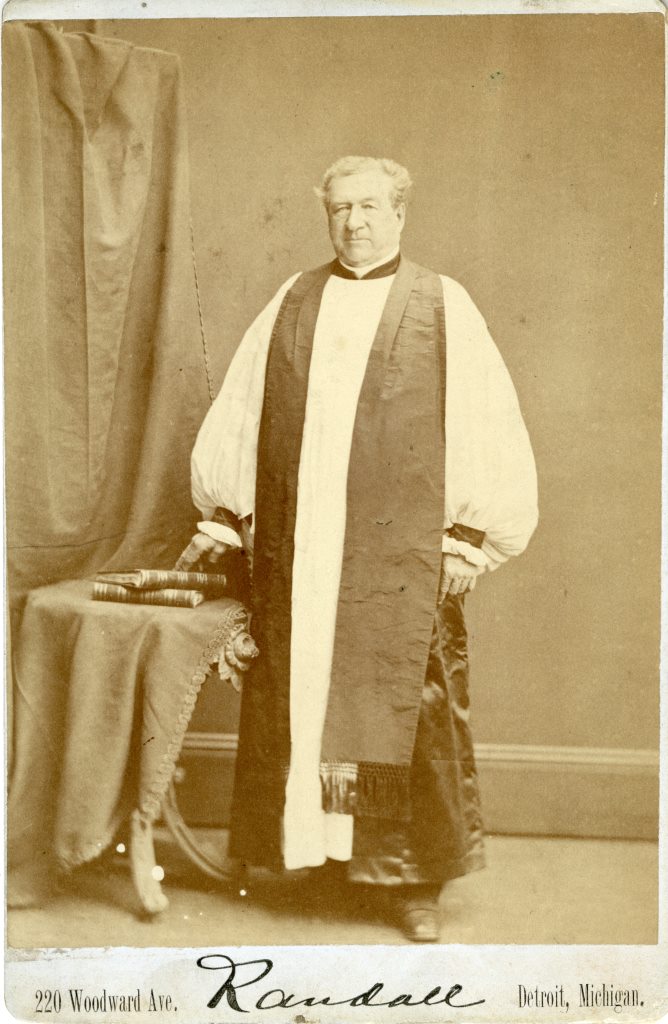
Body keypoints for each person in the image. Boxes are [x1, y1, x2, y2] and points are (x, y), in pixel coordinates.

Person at [177, 155, 538, 942]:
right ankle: (328, 857)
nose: (355, 222)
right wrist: (225, 515)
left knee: (391, 702)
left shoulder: (442, 305)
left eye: (370, 207)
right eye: (340, 208)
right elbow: (245, 411)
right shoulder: (293, 301)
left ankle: (402, 877)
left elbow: (484, 420)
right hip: (305, 549)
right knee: (314, 695)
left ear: (400, 213)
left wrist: (465, 535)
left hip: (398, 559)